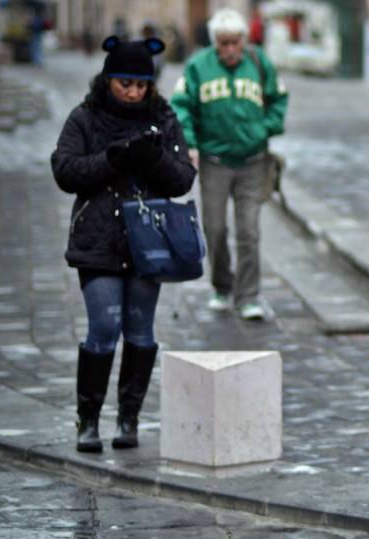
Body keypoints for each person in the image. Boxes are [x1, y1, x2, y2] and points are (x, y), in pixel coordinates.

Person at [51, 37, 197, 453]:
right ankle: (89, 420)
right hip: (98, 238)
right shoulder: (86, 118)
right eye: (124, 83)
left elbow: (184, 178)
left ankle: (128, 419)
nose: (133, 92)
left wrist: (152, 159)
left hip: (148, 241)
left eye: (140, 85)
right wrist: (112, 158)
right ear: (108, 80)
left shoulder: (163, 118)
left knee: (140, 330)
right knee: (103, 327)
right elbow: (65, 170)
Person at [171, 8, 289, 321]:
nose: (230, 50)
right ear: (215, 43)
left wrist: (264, 129)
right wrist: (190, 143)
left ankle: (248, 295)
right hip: (214, 161)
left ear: (243, 41)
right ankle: (222, 285)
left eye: (235, 42)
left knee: (249, 231)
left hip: (253, 161)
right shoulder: (198, 66)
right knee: (215, 228)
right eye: (223, 43)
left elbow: (278, 99)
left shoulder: (259, 62)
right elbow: (181, 106)